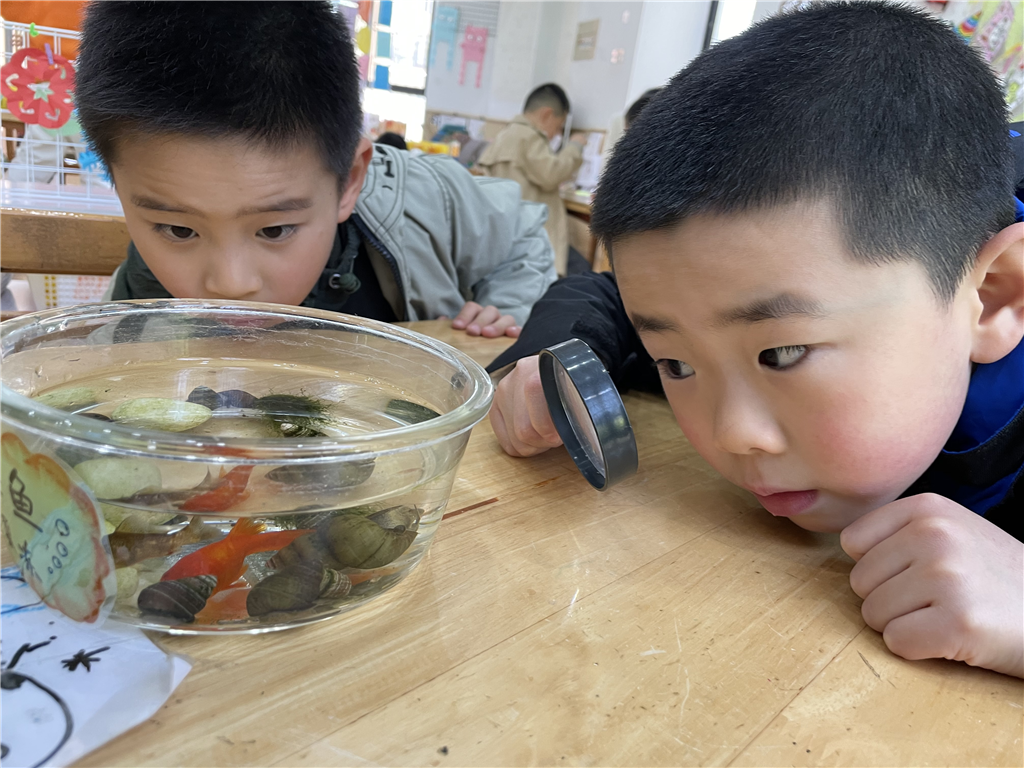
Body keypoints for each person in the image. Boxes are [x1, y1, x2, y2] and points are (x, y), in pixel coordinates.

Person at [486, 1, 1024, 678]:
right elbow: (601, 297)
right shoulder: (751, 305)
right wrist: (549, 361)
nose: (733, 435)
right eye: (675, 364)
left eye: (783, 354)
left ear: (993, 298)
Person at [77, 0, 557, 339]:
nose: (231, 284)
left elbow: (522, 234)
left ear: (349, 180)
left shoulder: (429, 198)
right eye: (179, 231)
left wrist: (506, 307)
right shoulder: (141, 289)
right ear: (118, 184)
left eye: (275, 229)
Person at [477, 84, 585, 276]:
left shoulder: (505, 134)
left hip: (507, 234)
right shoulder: (528, 136)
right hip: (530, 238)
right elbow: (552, 174)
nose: (557, 134)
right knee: (581, 271)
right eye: (559, 126)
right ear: (546, 114)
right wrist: (575, 146)